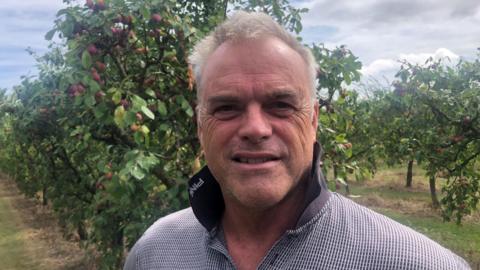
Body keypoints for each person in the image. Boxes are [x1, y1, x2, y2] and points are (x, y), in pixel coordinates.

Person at [124, 11, 470, 270]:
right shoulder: (155, 251)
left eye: (281, 105)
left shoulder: (416, 263)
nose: (256, 128)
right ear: (200, 125)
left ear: (314, 120)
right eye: (227, 107)